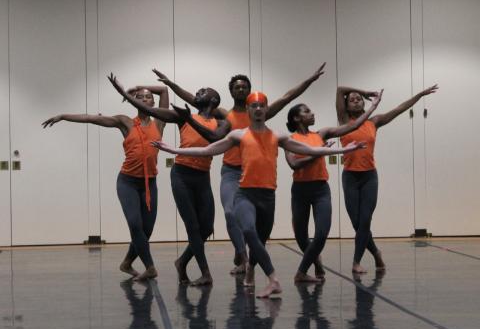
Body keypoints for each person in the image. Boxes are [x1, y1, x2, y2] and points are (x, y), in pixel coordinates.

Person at [152, 91, 366, 298]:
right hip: (245, 194)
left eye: (262, 106)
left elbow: (313, 150)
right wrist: (175, 151)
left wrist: (342, 151)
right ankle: (273, 279)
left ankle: (251, 268)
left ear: (266, 109)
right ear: (248, 109)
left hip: (267, 197)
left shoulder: (277, 136)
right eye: (253, 106)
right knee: (249, 231)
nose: (258, 109)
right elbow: (208, 150)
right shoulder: (239, 135)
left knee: (260, 241)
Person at [154, 64, 327, 274]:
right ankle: (242, 256)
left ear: (249, 92)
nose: (241, 89)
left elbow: (287, 97)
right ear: (231, 92)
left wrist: (309, 80)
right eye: (237, 87)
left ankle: (249, 259)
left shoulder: (259, 111)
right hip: (231, 172)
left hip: (254, 175)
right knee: (229, 212)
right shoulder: (224, 115)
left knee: (255, 223)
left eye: (245, 87)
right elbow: (194, 100)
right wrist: (171, 84)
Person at [42, 83, 169, 281]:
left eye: (147, 97)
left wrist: (138, 86)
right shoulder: (125, 122)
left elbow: (164, 90)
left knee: (147, 230)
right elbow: (93, 119)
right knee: (135, 225)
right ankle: (150, 267)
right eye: (140, 97)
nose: (145, 99)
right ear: (134, 101)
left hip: (149, 183)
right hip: (127, 182)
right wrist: (63, 116)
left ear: (153, 102)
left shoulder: (160, 122)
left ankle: (126, 263)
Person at [108, 73, 223, 286]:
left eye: (202, 91)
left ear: (214, 100)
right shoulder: (181, 116)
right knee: (193, 227)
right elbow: (152, 110)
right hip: (182, 174)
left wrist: (187, 111)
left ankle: (182, 261)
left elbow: (214, 138)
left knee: (206, 227)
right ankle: (205, 272)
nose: (197, 92)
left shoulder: (221, 121)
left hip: (203, 177)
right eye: (196, 91)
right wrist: (125, 92)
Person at [336, 84, 438, 274]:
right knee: (357, 223)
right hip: (350, 176)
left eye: (359, 98)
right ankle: (375, 252)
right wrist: (365, 91)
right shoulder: (343, 121)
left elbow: (399, 109)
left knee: (365, 220)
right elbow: (340, 89)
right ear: (346, 106)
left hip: (369, 177)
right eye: (352, 99)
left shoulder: (374, 122)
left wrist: (420, 95)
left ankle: (356, 262)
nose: (356, 101)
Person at [285, 91, 382, 283]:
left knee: (321, 234)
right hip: (300, 191)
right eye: (307, 111)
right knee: (301, 236)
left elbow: (353, 125)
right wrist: (319, 152)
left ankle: (301, 272)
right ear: (297, 118)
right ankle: (317, 263)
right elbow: (294, 164)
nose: (312, 113)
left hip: (321, 189)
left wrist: (372, 107)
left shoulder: (321, 134)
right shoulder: (289, 140)